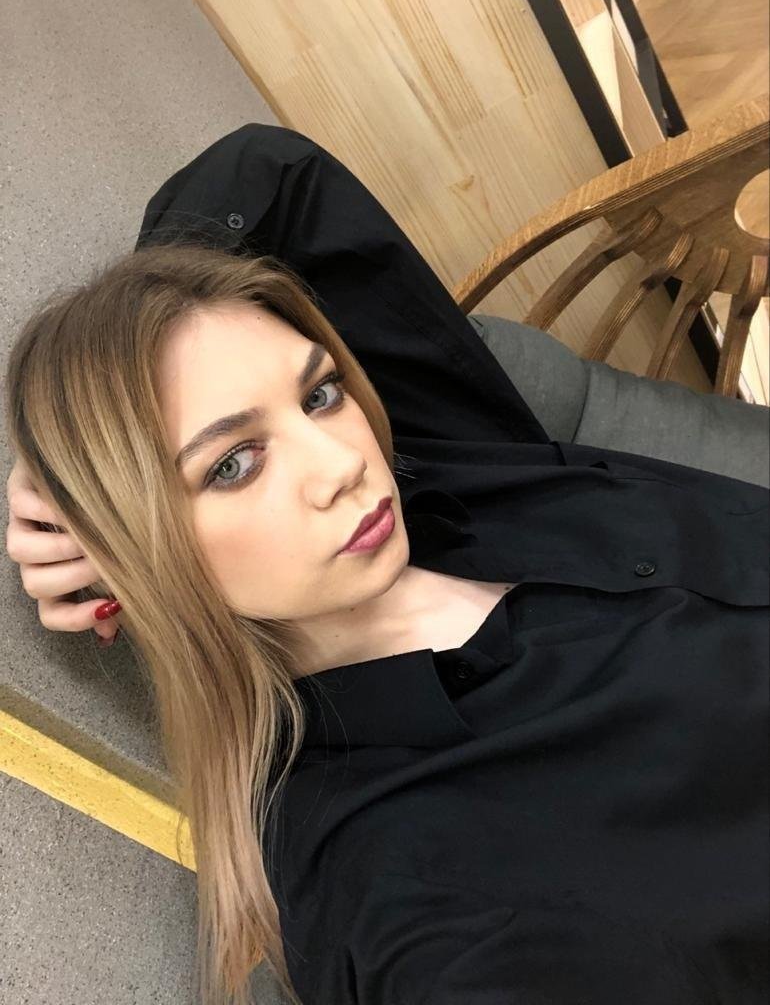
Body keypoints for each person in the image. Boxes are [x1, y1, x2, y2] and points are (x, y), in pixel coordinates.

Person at [4, 124, 768, 1005]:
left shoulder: (444, 472)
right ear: (142, 550)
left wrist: (89, 426)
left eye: (320, 393)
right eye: (233, 464)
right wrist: (108, 501)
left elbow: (267, 172)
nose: (342, 463)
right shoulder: (398, 873)